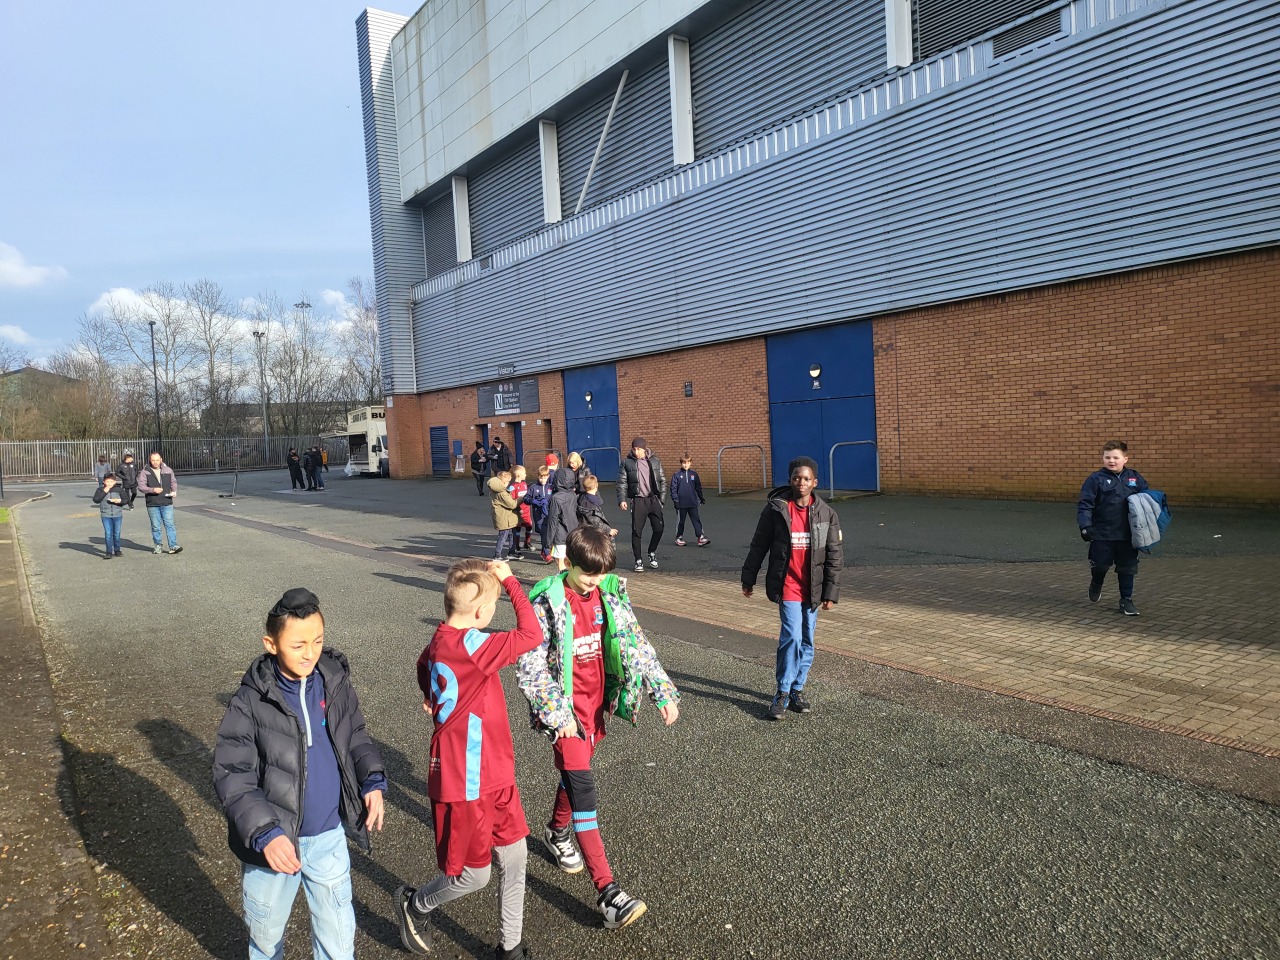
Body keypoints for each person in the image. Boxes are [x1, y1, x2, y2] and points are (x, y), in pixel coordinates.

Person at [517, 526, 679, 930]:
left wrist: (661, 691)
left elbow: (636, 643)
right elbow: (531, 664)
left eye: (601, 573)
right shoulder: (548, 604)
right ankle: (608, 893)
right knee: (584, 789)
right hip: (566, 715)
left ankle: (557, 831)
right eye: (587, 573)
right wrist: (557, 714)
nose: (594, 580)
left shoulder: (610, 595)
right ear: (567, 563)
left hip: (594, 708)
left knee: (576, 777)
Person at [213, 587, 386, 960]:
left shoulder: (334, 682)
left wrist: (371, 779)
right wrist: (265, 833)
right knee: (265, 938)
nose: (310, 653)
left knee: (338, 941)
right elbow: (233, 774)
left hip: (328, 834)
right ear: (271, 644)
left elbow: (356, 735)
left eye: (318, 641)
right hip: (274, 847)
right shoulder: (250, 701)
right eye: (298, 645)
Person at [395, 559, 543, 960]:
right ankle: (417, 903)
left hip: (495, 770)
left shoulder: (441, 637)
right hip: (466, 779)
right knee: (474, 875)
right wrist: (511, 582)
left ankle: (510, 947)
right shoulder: (475, 645)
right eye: (493, 606)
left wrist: (430, 695)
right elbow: (531, 634)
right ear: (480, 612)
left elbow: (423, 664)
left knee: (516, 855)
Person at [741, 456, 843, 720]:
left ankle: (798, 688)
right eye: (797, 478)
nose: (801, 482)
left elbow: (834, 555)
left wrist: (830, 593)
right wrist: (748, 578)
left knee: (807, 640)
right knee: (792, 637)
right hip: (788, 585)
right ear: (790, 480)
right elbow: (759, 545)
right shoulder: (777, 510)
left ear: (814, 482)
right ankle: (782, 691)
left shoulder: (826, 514)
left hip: (813, 589)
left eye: (807, 478)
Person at [1077, 440, 1149, 616]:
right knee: (1100, 566)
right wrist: (1085, 526)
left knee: (1127, 568)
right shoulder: (1096, 479)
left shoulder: (1135, 478)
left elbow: (1147, 502)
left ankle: (1126, 600)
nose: (1111, 461)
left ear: (1125, 459)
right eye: (1107, 457)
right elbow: (1085, 505)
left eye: (1116, 457)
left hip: (1128, 535)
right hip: (1102, 534)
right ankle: (1097, 582)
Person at [616, 438, 666, 573]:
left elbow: (662, 480)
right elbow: (621, 482)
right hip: (638, 501)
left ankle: (651, 551)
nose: (636, 452)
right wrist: (622, 499)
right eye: (634, 449)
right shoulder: (627, 463)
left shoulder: (655, 461)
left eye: (638, 449)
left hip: (653, 500)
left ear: (644, 449)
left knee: (659, 528)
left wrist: (661, 500)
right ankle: (638, 560)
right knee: (637, 531)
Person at [138, 451, 182, 555]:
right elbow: (141, 486)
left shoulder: (168, 470)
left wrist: (174, 491)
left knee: (170, 525)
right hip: (152, 503)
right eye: (153, 460)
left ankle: (173, 546)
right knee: (156, 526)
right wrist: (152, 490)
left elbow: (173, 482)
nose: (155, 462)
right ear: (150, 460)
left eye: (157, 460)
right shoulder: (145, 472)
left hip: (167, 502)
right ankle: (158, 546)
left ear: (161, 460)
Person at [544, 465, 581, 572]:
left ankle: (563, 579)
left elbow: (553, 520)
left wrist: (548, 541)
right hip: (572, 532)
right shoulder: (572, 495)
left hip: (560, 535)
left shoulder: (556, 498)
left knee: (560, 560)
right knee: (569, 559)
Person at [670, 454, 709, 547]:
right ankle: (679, 537)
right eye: (684, 463)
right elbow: (673, 489)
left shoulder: (694, 474)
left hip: (692, 502)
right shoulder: (676, 475)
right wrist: (675, 501)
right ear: (681, 463)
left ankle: (700, 537)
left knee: (696, 520)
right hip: (681, 503)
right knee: (681, 521)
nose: (686, 465)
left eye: (688, 463)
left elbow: (698, 487)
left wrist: (701, 497)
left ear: (690, 463)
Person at [489, 469, 523, 561]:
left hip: (507, 517)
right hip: (503, 518)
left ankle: (511, 552)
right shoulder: (502, 493)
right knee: (503, 536)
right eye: (507, 482)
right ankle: (497, 555)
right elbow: (512, 504)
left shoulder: (499, 490)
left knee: (511, 534)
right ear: (502, 482)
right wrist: (522, 498)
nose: (508, 484)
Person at [91, 470, 126, 558]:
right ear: (104, 482)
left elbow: (126, 500)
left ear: (114, 482)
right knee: (108, 533)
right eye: (107, 481)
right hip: (105, 514)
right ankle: (109, 552)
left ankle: (117, 550)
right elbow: (96, 500)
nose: (109, 483)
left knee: (117, 533)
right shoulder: (100, 489)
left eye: (111, 481)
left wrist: (119, 501)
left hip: (117, 514)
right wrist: (104, 491)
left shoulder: (119, 490)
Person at [525, 463, 554, 563]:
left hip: (549, 514)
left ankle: (545, 552)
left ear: (548, 476)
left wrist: (548, 502)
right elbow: (526, 498)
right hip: (538, 515)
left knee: (547, 534)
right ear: (538, 476)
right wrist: (534, 501)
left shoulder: (551, 487)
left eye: (545, 478)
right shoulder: (533, 487)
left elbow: (554, 498)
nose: (543, 480)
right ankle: (545, 552)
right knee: (543, 533)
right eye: (541, 478)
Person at [577, 474, 617, 540]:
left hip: (585, 529)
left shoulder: (582, 497)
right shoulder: (592, 502)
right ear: (596, 485)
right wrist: (608, 530)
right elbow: (595, 521)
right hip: (593, 533)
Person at [510, 465, 535, 553]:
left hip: (527, 512)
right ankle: (516, 545)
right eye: (524, 473)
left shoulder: (524, 484)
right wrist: (518, 509)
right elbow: (511, 500)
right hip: (518, 513)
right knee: (517, 529)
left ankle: (527, 542)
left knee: (529, 527)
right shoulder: (512, 487)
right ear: (519, 475)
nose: (526, 475)